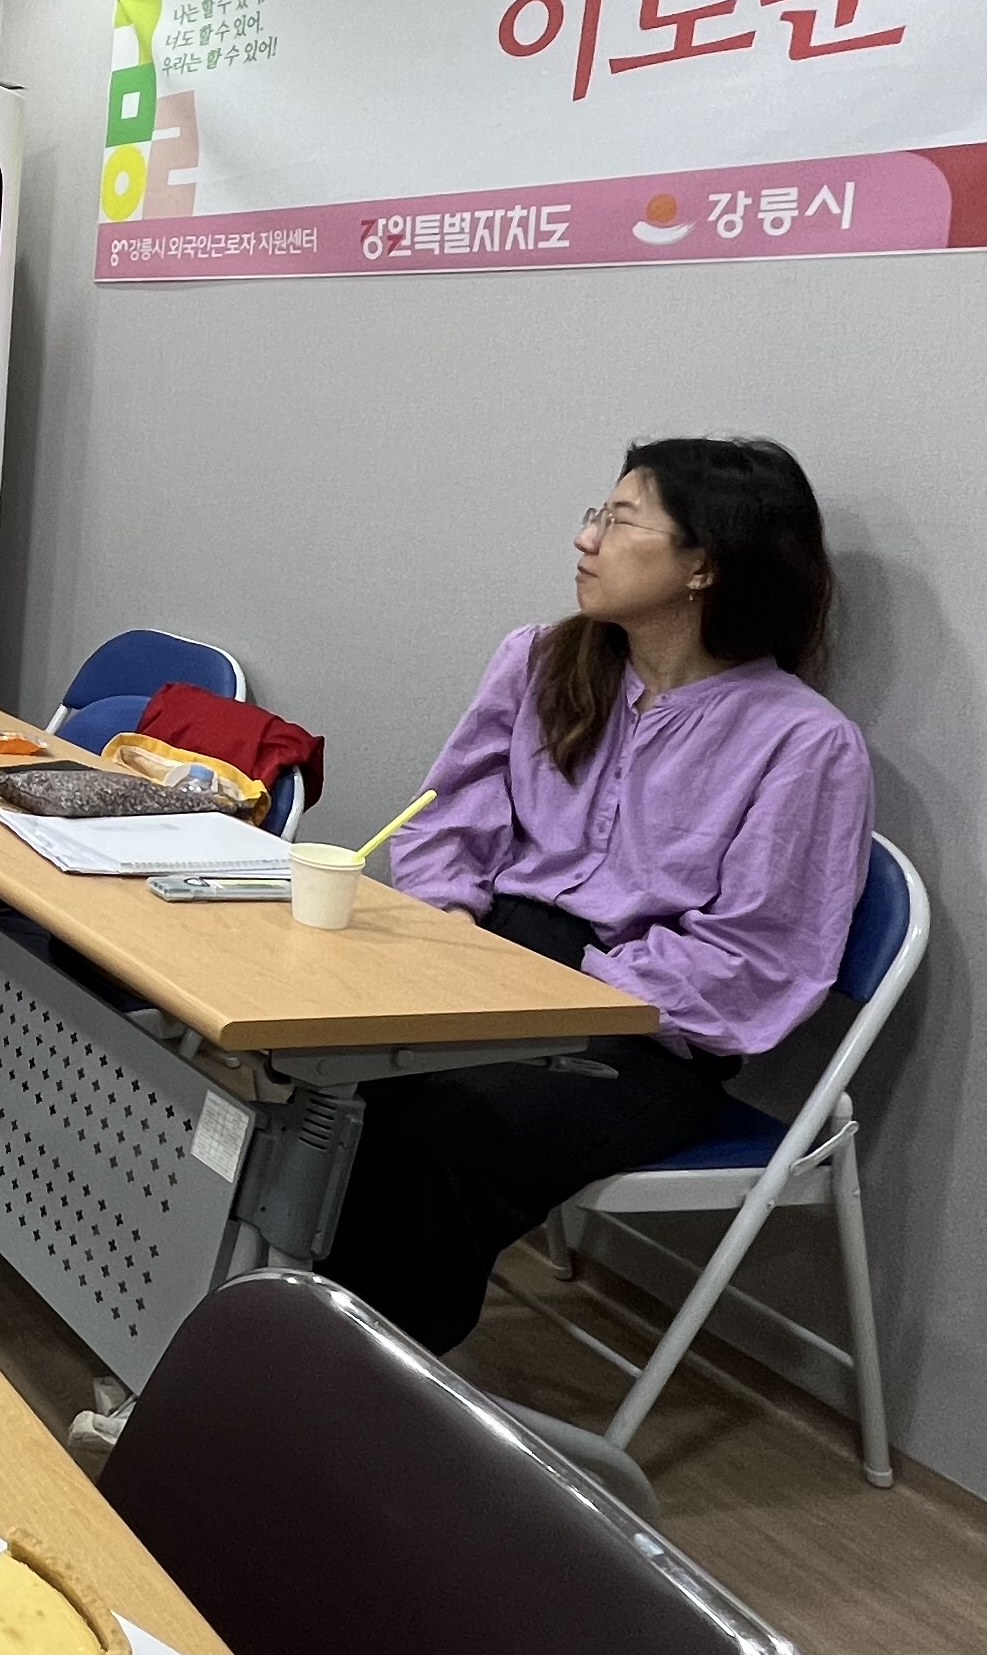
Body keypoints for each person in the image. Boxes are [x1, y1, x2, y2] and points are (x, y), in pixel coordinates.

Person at [322, 437, 873, 1354]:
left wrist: (568, 981)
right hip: (485, 954)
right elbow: (451, 815)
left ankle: (347, 1387)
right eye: (596, 515)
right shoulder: (542, 660)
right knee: (316, 1073)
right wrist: (453, 921)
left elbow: (757, 959)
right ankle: (258, 1339)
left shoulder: (804, 743)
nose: (587, 540)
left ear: (704, 565)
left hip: (643, 1031)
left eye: (620, 522)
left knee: (443, 1128)